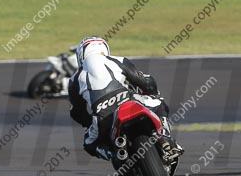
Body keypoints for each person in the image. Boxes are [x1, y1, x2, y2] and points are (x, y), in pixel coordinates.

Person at [68, 36, 182, 164]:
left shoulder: (74, 79)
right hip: (129, 101)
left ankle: (114, 155)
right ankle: (165, 138)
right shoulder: (119, 60)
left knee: (89, 144)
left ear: (81, 54)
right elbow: (143, 81)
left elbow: (77, 112)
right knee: (159, 102)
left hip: (102, 117)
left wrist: (89, 123)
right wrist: (152, 93)